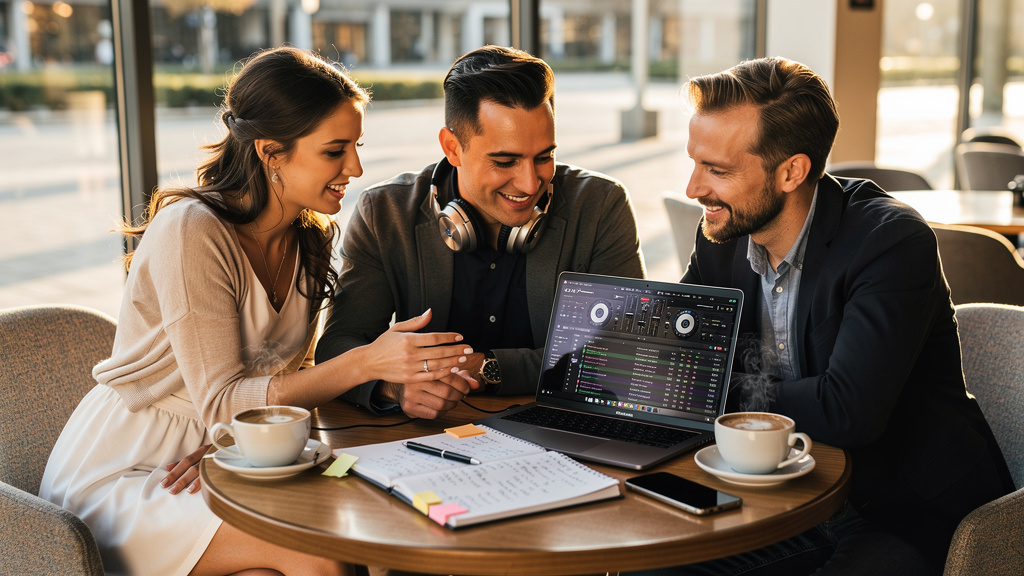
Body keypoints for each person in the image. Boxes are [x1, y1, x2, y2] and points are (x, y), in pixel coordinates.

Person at [38, 47, 472, 576]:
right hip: (132, 471)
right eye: (334, 150)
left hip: (234, 456)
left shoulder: (311, 237)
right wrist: (366, 363)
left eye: (356, 146)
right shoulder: (191, 231)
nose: (355, 168)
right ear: (271, 152)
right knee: (318, 550)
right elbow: (222, 402)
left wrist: (389, 383)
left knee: (341, 529)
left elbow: (283, 386)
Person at [637, 57, 1014, 575]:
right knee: (650, 566)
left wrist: (710, 387)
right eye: (695, 162)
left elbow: (847, 411)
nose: (693, 189)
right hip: (778, 494)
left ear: (792, 171)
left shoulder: (889, 243)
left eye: (717, 170)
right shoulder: (724, 239)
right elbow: (672, 353)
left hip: (904, 509)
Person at [315, 45, 646, 419]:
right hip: (427, 437)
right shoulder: (385, 212)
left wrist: (486, 369)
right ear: (452, 148)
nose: (529, 182)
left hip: (563, 432)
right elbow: (338, 346)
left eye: (544, 156)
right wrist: (394, 385)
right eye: (505, 161)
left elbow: (625, 353)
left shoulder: (601, 205)